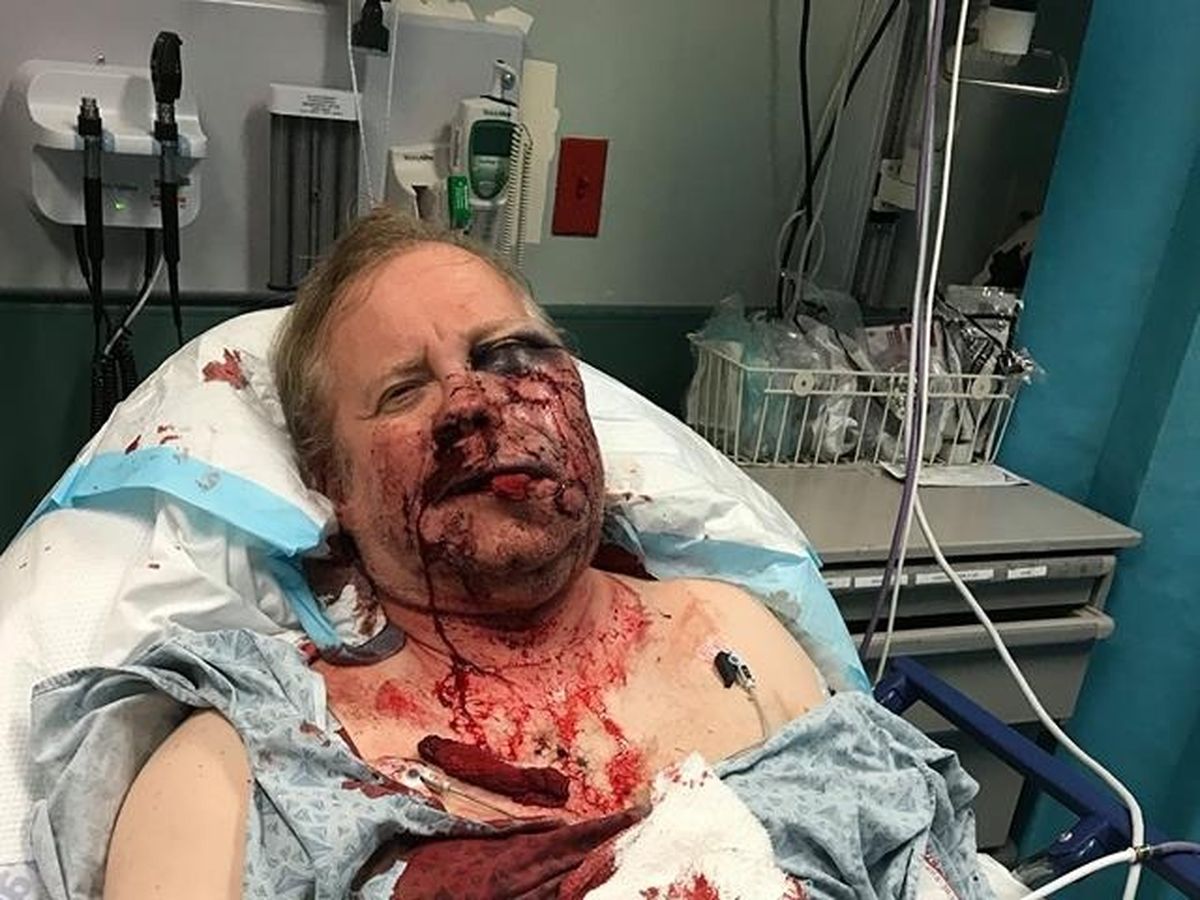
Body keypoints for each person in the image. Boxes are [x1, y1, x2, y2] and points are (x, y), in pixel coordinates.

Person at [101, 209, 827, 898]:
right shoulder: (244, 775)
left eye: (508, 356)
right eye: (403, 390)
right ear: (333, 484)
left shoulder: (734, 637)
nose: (470, 400)